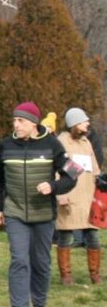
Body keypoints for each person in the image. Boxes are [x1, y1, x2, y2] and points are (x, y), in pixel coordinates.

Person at [0, 102, 76, 307]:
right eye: (14, 121)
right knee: (19, 260)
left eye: (20, 121)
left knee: (40, 263)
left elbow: (72, 175)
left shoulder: (52, 144)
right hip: (15, 211)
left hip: (43, 215)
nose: (15, 125)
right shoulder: (6, 145)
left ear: (33, 123)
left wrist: (54, 186)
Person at [56, 107, 101, 285]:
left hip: (88, 197)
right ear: (74, 123)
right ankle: (66, 275)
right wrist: (60, 195)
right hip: (70, 196)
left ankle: (95, 274)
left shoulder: (86, 142)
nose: (87, 124)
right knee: (66, 237)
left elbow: (95, 169)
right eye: (84, 121)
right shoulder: (61, 142)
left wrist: (101, 184)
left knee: (93, 237)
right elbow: (56, 170)